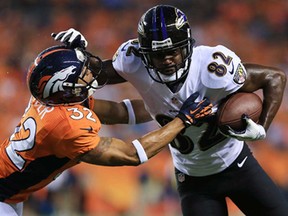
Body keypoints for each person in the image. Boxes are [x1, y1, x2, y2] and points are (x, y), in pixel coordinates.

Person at [53, 4, 288, 216]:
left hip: (238, 166)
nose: (165, 60)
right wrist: (78, 57)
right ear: (144, 54)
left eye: (171, 52)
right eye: (157, 55)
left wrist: (262, 128)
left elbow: (274, 78)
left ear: (186, 47)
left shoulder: (212, 67)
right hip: (193, 180)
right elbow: (93, 77)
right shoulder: (133, 62)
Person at [0, 44, 214, 216]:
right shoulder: (64, 125)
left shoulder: (56, 100)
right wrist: (182, 120)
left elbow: (121, 112)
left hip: (11, 194)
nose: (89, 73)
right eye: (81, 72)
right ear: (62, 87)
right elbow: (131, 154)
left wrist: (170, 103)